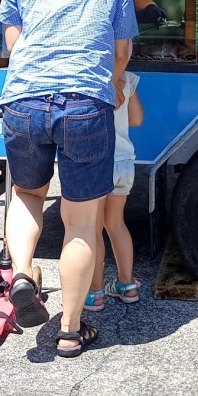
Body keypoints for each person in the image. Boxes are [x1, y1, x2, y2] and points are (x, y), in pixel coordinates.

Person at [0, 0, 139, 358]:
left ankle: (21, 273)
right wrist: (112, 81)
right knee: (81, 222)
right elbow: (121, 50)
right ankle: (70, 331)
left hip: (23, 99)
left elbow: (13, 41)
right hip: (84, 102)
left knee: (27, 194)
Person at [86, 71, 144, 309]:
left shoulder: (90, 74)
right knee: (116, 224)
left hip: (100, 162)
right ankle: (127, 285)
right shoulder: (127, 78)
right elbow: (137, 119)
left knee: (94, 228)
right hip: (124, 162)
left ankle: (94, 292)